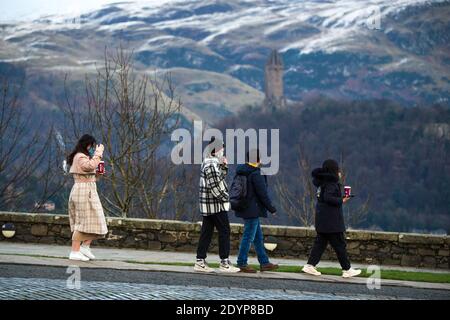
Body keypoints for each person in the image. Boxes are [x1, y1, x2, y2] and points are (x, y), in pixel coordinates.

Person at [302, 159, 361, 278]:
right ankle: (347, 269)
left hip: (323, 220)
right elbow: (329, 198)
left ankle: (310, 265)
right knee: (340, 245)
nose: (339, 172)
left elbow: (324, 198)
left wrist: (340, 197)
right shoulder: (330, 184)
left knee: (320, 244)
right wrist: (342, 200)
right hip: (332, 222)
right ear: (334, 171)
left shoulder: (322, 183)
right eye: (338, 170)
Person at [194, 137, 240, 273]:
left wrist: (224, 166)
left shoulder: (212, 162)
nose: (223, 150)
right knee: (225, 231)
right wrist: (227, 200)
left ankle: (200, 261)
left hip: (209, 205)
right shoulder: (210, 164)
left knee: (206, 233)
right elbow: (215, 187)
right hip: (215, 204)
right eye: (222, 148)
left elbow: (220, 178)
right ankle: (224, 262)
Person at [233, 149, 278, 273]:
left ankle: (264, 262)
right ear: (258, 160)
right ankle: (241, 262)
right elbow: (262, 194)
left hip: (244, 207)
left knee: (258, 237)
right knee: (248, 237)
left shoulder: (242, 171)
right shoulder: (256, 173)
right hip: (253, 209)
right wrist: (272, 209)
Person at [67, 134, 107, 261]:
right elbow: (89, 166)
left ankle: (85, 246)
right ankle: (75, 251)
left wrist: (99, 173)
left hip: (89, 190)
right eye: (91, 146)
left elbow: (91, 174)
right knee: (82, 222)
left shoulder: (85, 157)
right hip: (82, 191)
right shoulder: (79, 156)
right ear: (86, 144)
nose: (92, 148)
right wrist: (98, 153)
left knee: (95, 220)